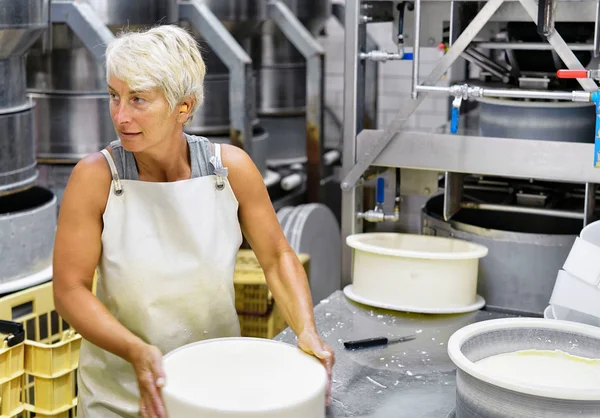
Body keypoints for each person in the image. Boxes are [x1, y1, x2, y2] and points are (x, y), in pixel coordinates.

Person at [52, 25, 334, 418]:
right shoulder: (96, 177)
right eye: (114, 96)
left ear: (183, 107)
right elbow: (69, 290)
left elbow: (276, 256)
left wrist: (306, 329)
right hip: (121, 394)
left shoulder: (230, 170)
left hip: (213, 386)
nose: (121, 115)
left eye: (138, 100)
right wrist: (135, 350)